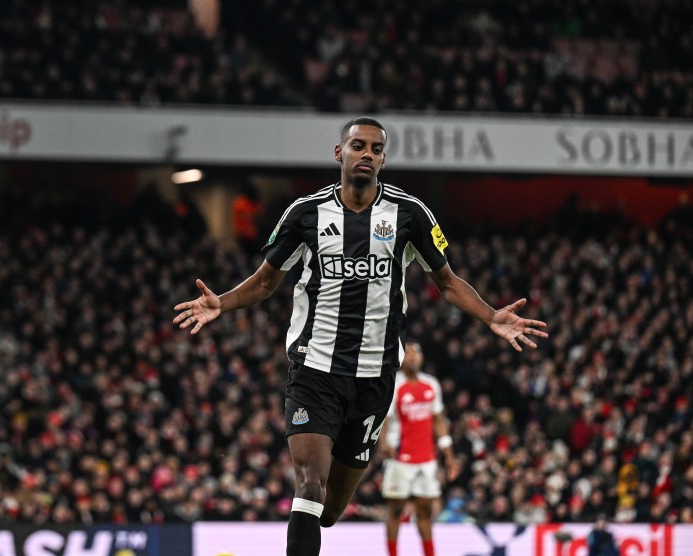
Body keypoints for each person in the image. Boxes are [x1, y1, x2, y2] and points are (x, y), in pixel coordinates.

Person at [173, 117, 548, 556]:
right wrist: (223, 302)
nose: (366, 154)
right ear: (340, 153)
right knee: (308, 484)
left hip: (375, 378)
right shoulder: (304, 214)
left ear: (383, 159)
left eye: (375, 148)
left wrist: (490, 316)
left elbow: (447, 282)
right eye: (358, 146)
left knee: (328, 511)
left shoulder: (409, 214)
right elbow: (263, 282)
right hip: (315, 371)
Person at [380, 340, 459, 556]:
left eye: (416, 353)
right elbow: (385, 419)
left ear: (422, 358)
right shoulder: (394, 385)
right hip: (400, 458)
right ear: (401, 359)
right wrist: (383, 443)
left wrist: (449, 456)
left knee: (425, 511)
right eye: (408, 353)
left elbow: (438, 421)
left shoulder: (432, 384)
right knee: (395, 510)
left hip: (427, 459)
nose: (413, 357)